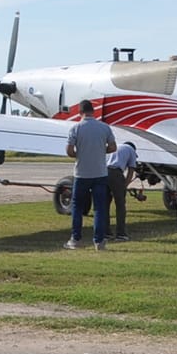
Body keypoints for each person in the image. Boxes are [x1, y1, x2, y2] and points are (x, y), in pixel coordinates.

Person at [65, 98, 117, 251]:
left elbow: (69, 150)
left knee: (77, 207)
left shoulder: (76, 128)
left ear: (80, 112)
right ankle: (99, 242)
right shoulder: (105, 128)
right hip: (100, 172)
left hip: (82, 173)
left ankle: (76, 239)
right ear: (93, 112)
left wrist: (79, 154)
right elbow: (113, 147)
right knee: (100, 208)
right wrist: (101, 151)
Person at [108, 140, 137, 242]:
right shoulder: (131, 150)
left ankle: (106, 233)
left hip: (103, 172)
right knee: (120, 205)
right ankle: (121, 234)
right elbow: (131, 171)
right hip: (116, 173)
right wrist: (124, 186)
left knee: (104, 204)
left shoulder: (115, 146)